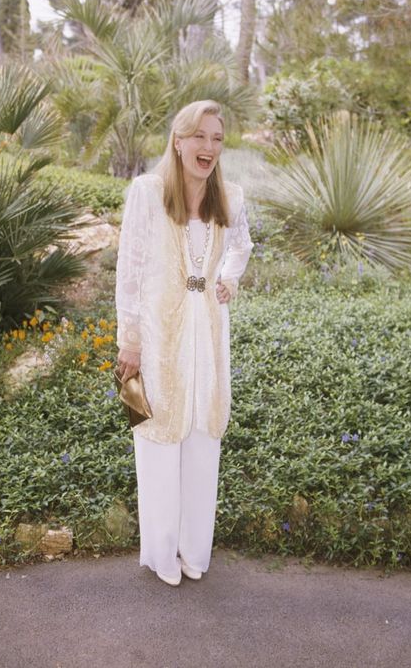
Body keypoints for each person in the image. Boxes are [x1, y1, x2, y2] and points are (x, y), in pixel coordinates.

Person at [115, 100, 253, 587]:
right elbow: (129, 270)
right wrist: (128, 342)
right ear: (178, 140)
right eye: (200, 136)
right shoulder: (147, 193)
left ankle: (194, 550)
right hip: (157, 338)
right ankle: (160, 554)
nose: (209, 147)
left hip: (208, 338)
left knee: (202, 441)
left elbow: (242, 245)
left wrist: (229, 280)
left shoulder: (230, 197)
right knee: (156, 441)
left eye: (217, 138)